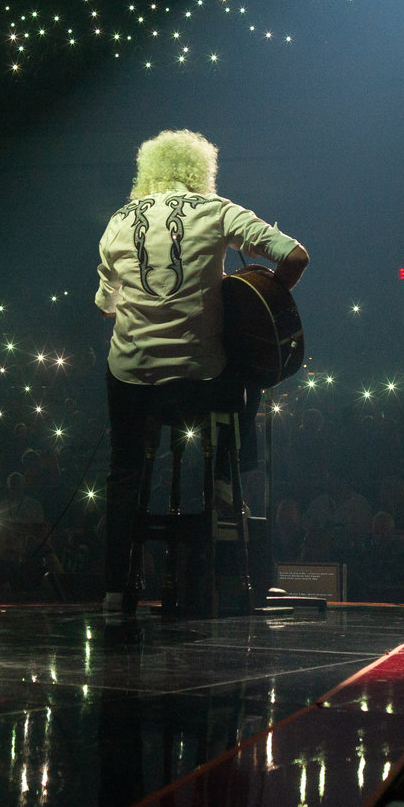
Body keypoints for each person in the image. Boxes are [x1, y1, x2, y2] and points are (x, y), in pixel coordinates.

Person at [95, 128, 306, 614]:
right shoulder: (217, 210)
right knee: (248, 376)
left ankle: (114, 588)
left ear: (146, 172)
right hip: (200, 383)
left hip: (132, 380)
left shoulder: (118, 221)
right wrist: (262, 296)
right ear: (201, 171)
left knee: (124, 470)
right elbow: (296, 255)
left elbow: (108, 307)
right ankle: (229, 478)